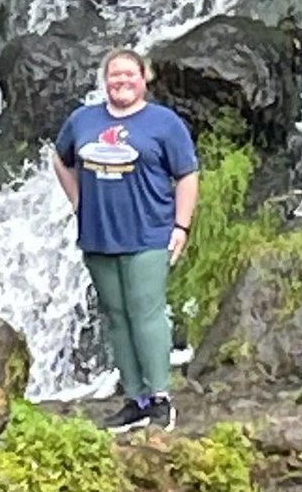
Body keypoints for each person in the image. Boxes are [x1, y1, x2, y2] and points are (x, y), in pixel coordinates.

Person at [51, 48, 198, 435]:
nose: (121, 82)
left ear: (144, 78)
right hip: (98, 234)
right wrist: (78, 200)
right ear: (105, 80)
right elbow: (60, 158)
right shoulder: (84, 120)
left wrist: (180, 226)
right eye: (114, 75)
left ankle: (161, 399)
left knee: (146, 311)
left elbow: (187, 174)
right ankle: (135, 400)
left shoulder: (164, 123)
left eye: (128, 75)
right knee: (116, 316)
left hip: (149, 231)